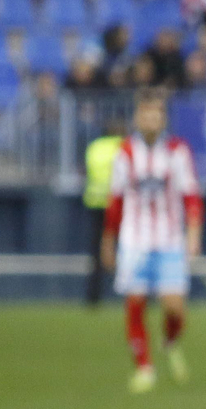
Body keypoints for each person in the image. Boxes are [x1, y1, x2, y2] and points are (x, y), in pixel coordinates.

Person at [102, 90, 202, 395]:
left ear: (163, 118)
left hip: (170, 240)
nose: (150, 119)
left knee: (175, 309)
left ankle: (170, 341)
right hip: (135, 240)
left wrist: (194, 233)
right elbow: (116, 200)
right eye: (145, 114)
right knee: (135, 303)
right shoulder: (125, 153)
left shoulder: (177, 151)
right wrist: (108, 241)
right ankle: (144, 367)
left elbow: (191, 195)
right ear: (137, 117)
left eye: (156, 114)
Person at [82, 116, 124, 308]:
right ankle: (134, 295)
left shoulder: (94, 147)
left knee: (96, 253)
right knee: (130, 249)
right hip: (119, 204)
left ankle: (93, 297)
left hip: (96, 203)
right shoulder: (123, 147)